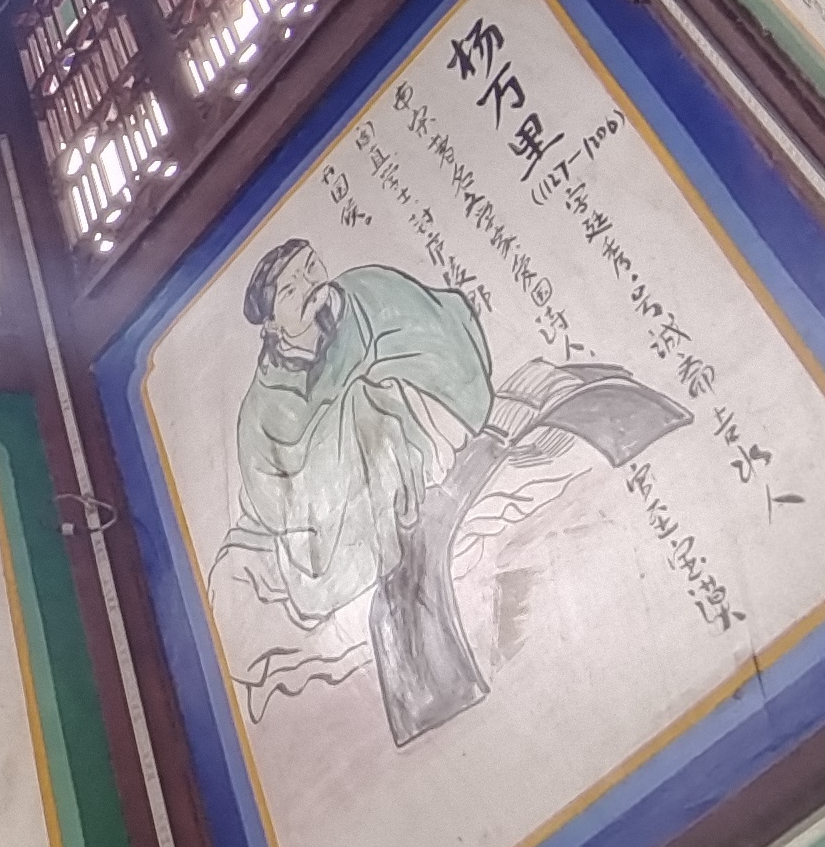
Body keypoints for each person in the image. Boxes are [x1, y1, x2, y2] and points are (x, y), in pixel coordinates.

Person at [227, 237, 691, 745]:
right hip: (343, 527)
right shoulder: (263, 406)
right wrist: (344, 437)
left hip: (429, 437)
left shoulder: (365, 293)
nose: (311, 285)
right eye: (291, 289)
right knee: (361, 415)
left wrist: (385, 400)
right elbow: (280, 498)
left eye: (311, 267)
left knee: (371, 403)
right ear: (270, 326)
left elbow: (441, 338)